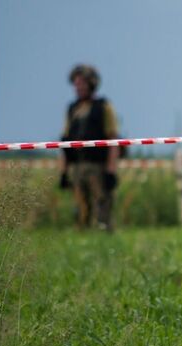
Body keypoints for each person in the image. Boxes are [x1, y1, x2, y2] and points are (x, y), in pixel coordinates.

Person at [60, 64, 120, 230]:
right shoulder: (72, 109)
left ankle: (105, 236)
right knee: (80, 209)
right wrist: (64, 172)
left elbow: (113, 140)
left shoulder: (103, 107)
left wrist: (110, 170)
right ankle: (82, 237)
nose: (78, 87)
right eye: (76, 83)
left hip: (98, 166)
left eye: (82, 83)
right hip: (77, 166)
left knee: (102, 206)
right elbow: (65, 143)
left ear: (92, 84)